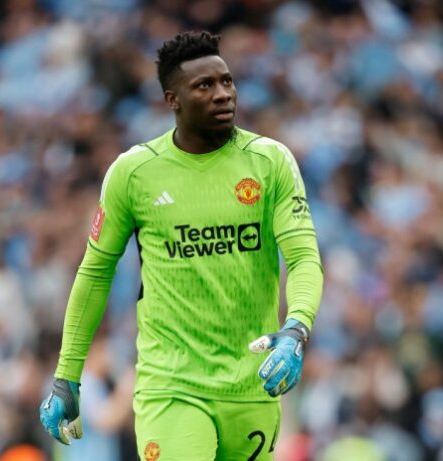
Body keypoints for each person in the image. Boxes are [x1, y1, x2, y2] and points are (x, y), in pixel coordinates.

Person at [39, 30, 323, 460]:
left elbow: (303, 257)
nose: (223, 94)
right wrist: (68, 374)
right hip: (171, 386)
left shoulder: (270, 162)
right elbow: (95, 273)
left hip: (254, 385)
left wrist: (296, 329)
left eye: (226, 81)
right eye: (204, 85)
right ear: (172, 99)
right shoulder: (134, 174)